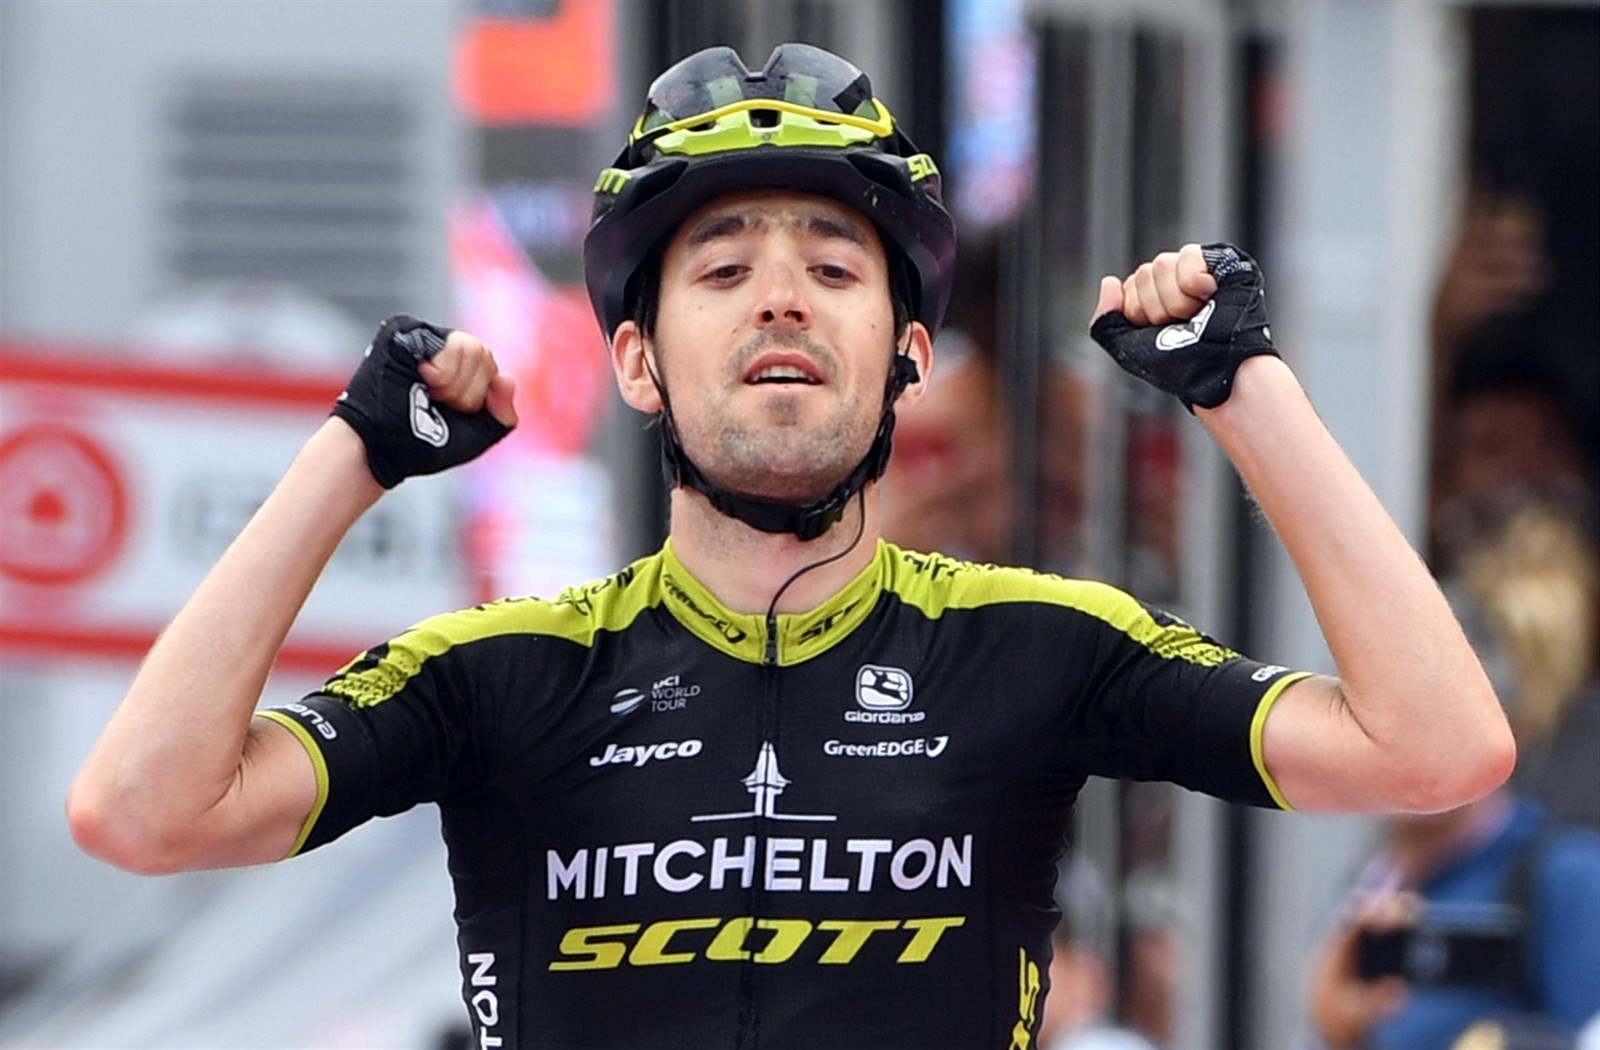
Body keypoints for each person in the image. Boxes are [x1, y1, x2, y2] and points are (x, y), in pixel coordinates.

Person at [67, 44, 1513, 1048]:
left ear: (908, 359)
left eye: (832, 267)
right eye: (722, 269)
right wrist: (352, 455)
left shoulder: (1039, 644)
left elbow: (1438, 748)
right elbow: (141, 812)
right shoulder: (500, 672)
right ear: (636, 364)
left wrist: (1243, 389)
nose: (781, 299)